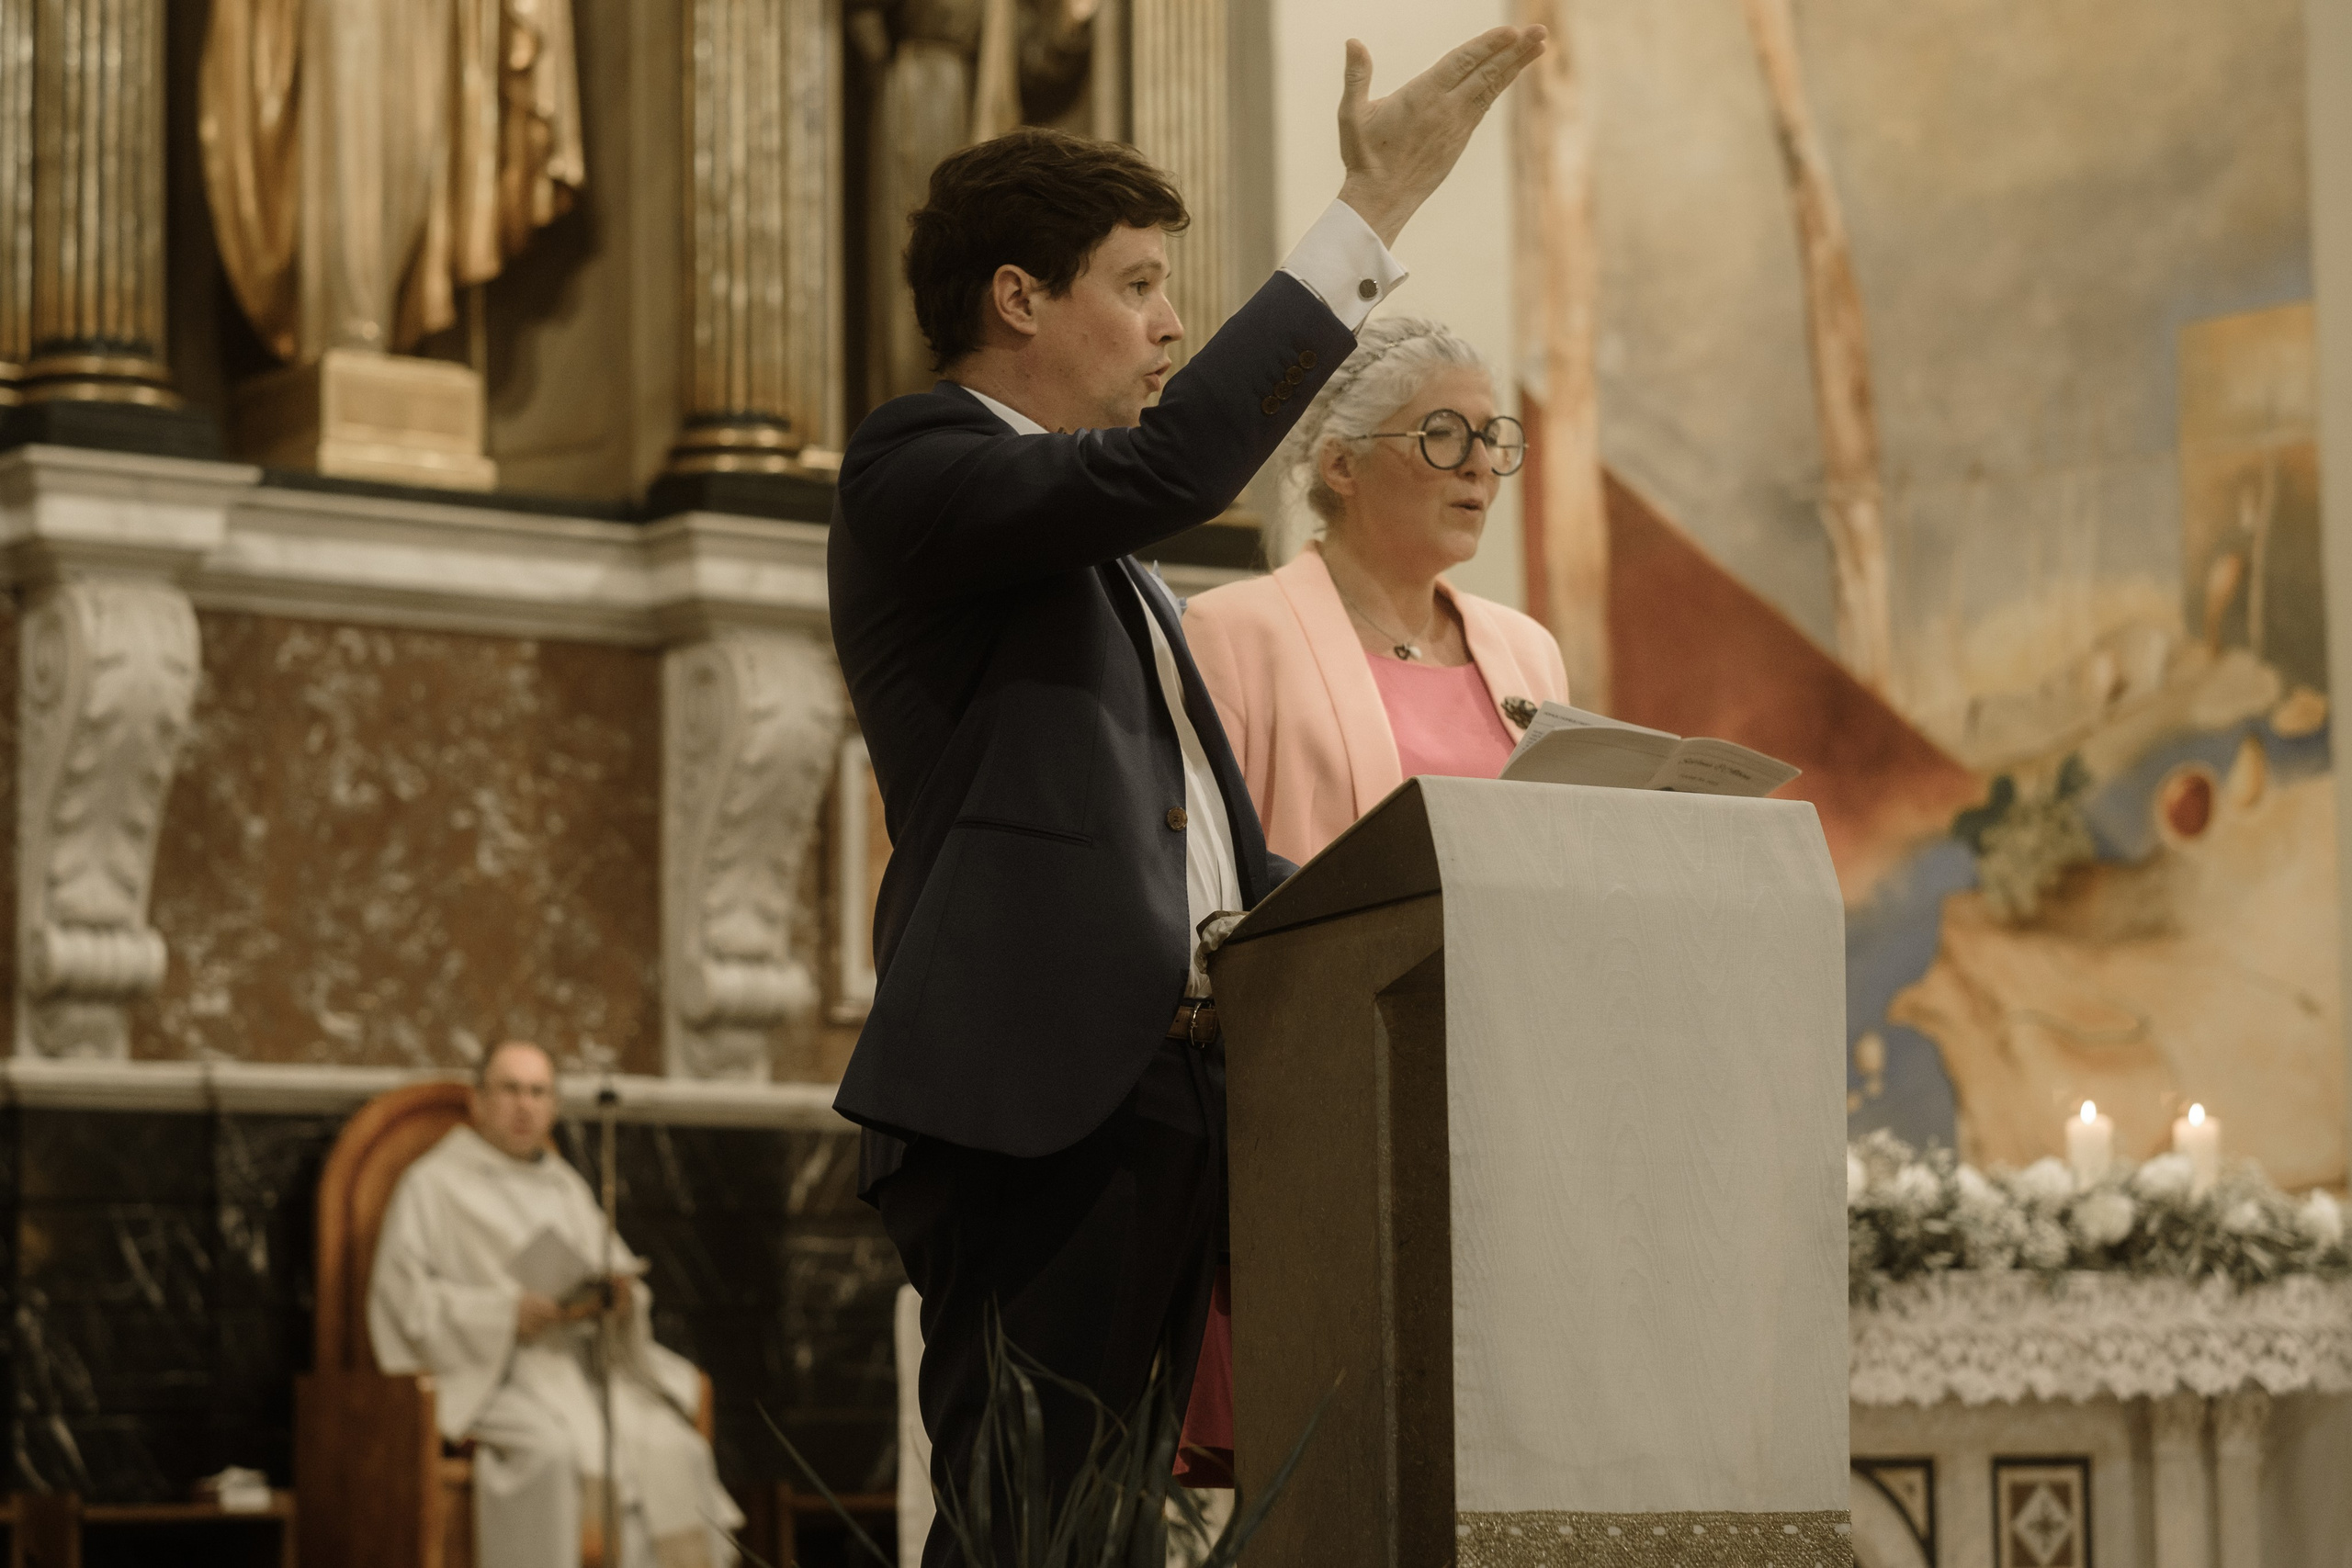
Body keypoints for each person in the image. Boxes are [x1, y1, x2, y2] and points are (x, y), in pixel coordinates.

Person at [826, 25, 1546, 1565]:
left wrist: (1460, 879)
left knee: (1108, 1529)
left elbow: (1214, 851)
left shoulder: (1104, 554)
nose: (1170, 321)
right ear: (1021, 298)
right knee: (1032, 1528)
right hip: (1038, 1091)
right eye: (1141, 282)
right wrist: (1370, 216)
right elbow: (1173, 464)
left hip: (1169, 1093)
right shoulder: (922, 467)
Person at [1174, 316, 1572, 1483]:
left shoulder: (1525, 653)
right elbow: (1203, 885)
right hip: (1317, 1097)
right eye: (1442, 434)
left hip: (1498, 1093)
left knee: (1483, 1467)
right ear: (1336, 464)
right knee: (1331, 1466)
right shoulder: (1233, 634)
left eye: (1494, 437)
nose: (1479, 466)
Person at [369, 1041, 742, 1568]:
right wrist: (504, 1314)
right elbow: (403, 1303)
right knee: (555, 1454)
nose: (525, 1105)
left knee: (675, 1449)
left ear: (554, 1106)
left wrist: (617, 1300)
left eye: (538, 1092)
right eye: (511, 1090)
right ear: (478, 1101)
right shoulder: (433, 1185)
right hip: (496, 1376)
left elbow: (613, 1269)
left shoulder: (562, 1185)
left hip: (580, 1367)